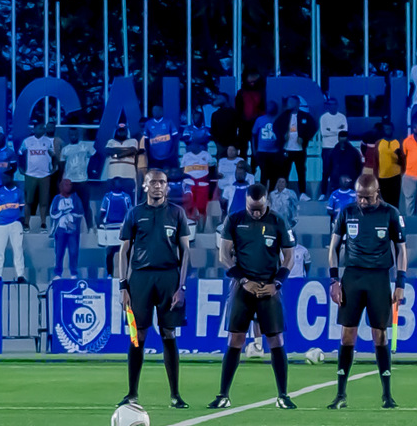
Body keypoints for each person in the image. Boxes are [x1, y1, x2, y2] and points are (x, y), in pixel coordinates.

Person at [326, 165, 406, 410]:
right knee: (347, 334)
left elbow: (401, 249)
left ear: (377, 193)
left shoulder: (390, 213)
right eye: (359, 196)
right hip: (352, 277)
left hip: (379, 278)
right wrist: (334, 280)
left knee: (379, 335)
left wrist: (400, 283)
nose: (362, 201)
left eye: (367, 197)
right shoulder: (346, 212)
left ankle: (387, 395)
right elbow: (333, 247)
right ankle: (340, 394)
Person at [210, 192, 298, 410]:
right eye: (252, 209)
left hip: (269, 287)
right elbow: (224, 255)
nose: (256, 213)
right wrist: (243, 280)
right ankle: (223, 395)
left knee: (275, 339)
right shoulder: (234, 219)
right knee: (235, 339)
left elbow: (289, 256)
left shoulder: (278, 221)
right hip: (242, 287)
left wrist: (277, 283)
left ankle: (283, 395)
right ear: (246, 203)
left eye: (260, 209)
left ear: (267, 202)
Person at [116, 167, 192, 413]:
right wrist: (123, 285)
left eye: (162, 182)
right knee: (137, 335)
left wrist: (181, 287)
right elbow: (123, 251)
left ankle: (175, 395)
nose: (158, 186)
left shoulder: (177, 213)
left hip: (169, 277)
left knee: (169, 333)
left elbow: (185, 252)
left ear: (167, 186)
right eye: (153, 182)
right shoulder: (135, 213)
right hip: (140, 279)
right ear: (145, 186)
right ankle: (132, 393)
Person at [0, 167, 30, 281]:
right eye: (2, 178)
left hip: (15, 224)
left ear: (11, 178)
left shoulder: (19, 192)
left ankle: (20, 275)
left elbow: (23, 207)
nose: (3, 180)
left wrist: (21, 219)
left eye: (5, 178)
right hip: (1, 224)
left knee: (18, 249)